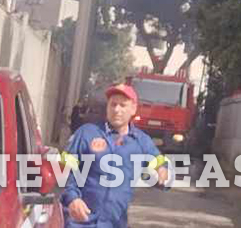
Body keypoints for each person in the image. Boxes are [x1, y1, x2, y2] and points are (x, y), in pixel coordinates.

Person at [61, 83, 169, 227]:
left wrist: (162, 171)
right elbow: (64, 169)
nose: (117, 110)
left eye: (122, 105)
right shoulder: (86, 133)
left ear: (133, 109)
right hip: (79, 221)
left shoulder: (142, 142)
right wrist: (72, 198)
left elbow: (161, 165)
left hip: (115, 223)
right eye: (113, 104)